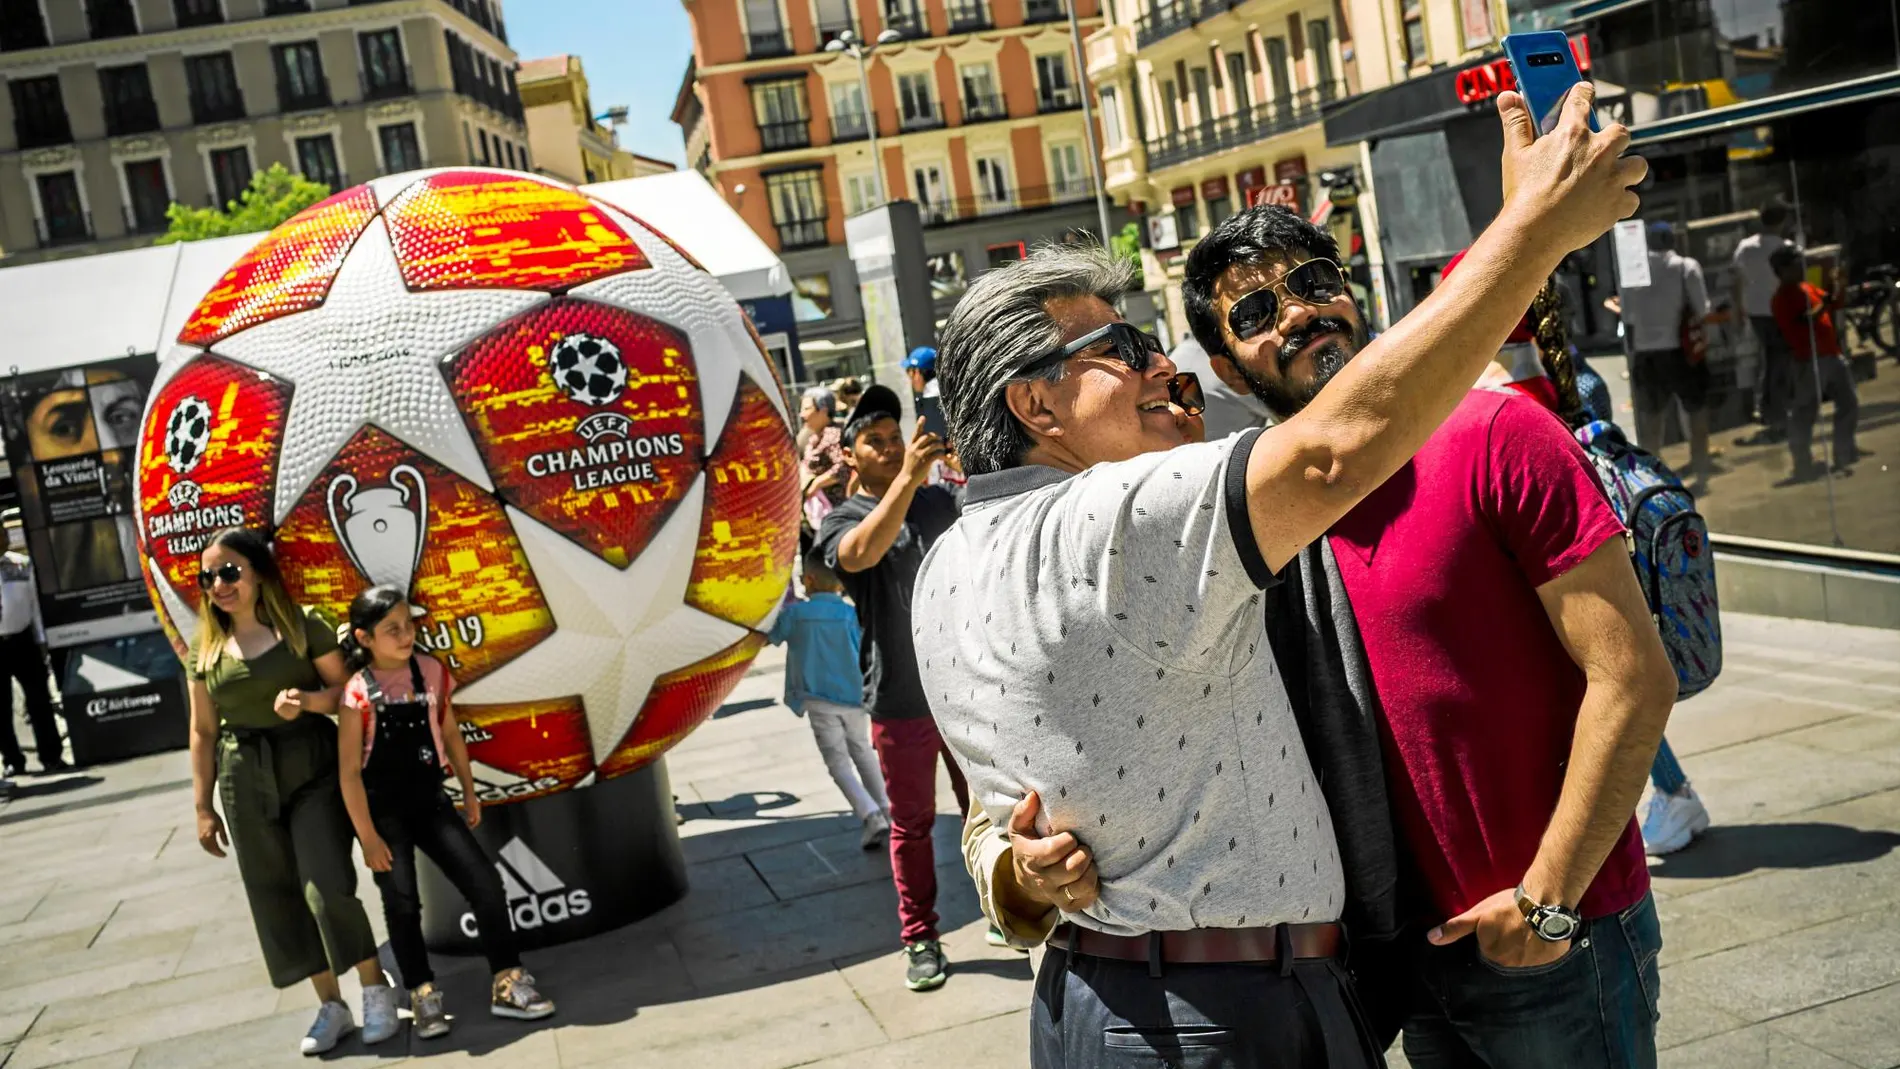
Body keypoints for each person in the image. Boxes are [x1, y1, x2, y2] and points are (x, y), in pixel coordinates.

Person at [928, 84, 1647, 1069]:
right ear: (1036, 408)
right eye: (1122, 352)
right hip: (1265, 1001)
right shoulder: (1163, 519)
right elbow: (1332, 454)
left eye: (1317, 276)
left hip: (1511, 941)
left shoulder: (944, 565)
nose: (1155, 372)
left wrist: (1552, 895)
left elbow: (1630, 673)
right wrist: (1532, 228)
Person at [1516, 278, 1714, 858]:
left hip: (1585, 554)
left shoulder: (1533, 378)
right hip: (1602, 546)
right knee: (1613, 679)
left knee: (1608, 681)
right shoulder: (1563, 369)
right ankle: (1670, 795)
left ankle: (1672, 794)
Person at [184, 528, 397, 1056]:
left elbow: (347, 695)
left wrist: (305, 701)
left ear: (257, 572)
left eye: (230, 572)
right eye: (208, 577)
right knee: (275, 895)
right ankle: (331, 1005)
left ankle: (374, 990)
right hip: (242, 775)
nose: (219, 585)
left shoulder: (303, 626)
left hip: (311, 765)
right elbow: (203, 732)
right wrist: (202, 808)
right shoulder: (205, 646)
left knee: (325, 885)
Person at [336, 585, 555, 1041]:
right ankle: (422, 992)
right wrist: (368, 838)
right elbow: (350, 775)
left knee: (486, 885)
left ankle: (508, 980)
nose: (404, 635)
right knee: (401, 903)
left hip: (432, 803)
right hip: (383, 815)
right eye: (391, 629)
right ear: (364, 638)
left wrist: (469, 793)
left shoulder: (432, 672)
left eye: (409, 625)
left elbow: (451, 734)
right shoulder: (357, 693)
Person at [815, 384, 966, 992]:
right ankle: (920, 936)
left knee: (996, 808)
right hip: (901, 700)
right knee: (913, 824)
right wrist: (906, 477)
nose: (890, 446)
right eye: (874, 441)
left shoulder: (936, 500)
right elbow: (855, 556)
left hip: (965, 692)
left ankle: (1012, 909)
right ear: (850, 456)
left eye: (895, 436)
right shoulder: (845, 517)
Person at [765, 553, 891, 850]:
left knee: (837, 763)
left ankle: (870, 815)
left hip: (818, 698)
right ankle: (887, 808)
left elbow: (770, 635)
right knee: (862, 751)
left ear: (807, 580)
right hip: (853, 696)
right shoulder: (849, 614)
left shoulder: (796, 616)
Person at [1619, 220, 1719, 490]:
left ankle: (1654, 480)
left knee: (1651, 421)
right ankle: (1700, 469)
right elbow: (1702, 309)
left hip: (1646, 354)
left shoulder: (1633, 273)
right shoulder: (1685, 267)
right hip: (1680, 352)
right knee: (1695, 410)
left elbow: (1627, 315)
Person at [1770, 246, 1862, 480]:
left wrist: (1838, 285)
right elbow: (1806, 319)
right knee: (1805, 412)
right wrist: (1828, 299)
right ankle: (1802, 462)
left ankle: (1844, 451)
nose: (1802, 267)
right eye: (1795, 264)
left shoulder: (1807, 287)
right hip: (1808, 360)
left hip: (1831, 353)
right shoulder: (1782, 298)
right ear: (1782, 270)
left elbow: (1833, 303)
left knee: (1849, 402)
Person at [1, 529, 67, 776]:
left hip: (22, 640)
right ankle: (12, 760)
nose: (2, 538)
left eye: (3, 533)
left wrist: (40, 640)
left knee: (39, 700)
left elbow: (34, 606)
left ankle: (51, 756)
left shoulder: (21, 565)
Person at [1731, 199, 1798, 443]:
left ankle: (1770, 408)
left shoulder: (1745, 247)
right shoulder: (1787, 247)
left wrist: (1738, 310)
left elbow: (1737, 281)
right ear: (1782, 222)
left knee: (1770, 359)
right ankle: (1777, 410)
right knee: (1780, 361)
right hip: (1783, 311)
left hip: (1757, 312)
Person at [799, 386, 849, 558]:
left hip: (833, 513)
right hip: (816, 513)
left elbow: (842, 468)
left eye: (806, 409)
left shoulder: (833, 434)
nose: (802, 415)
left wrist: (816, 484)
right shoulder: (813, 437)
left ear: (823, 411)